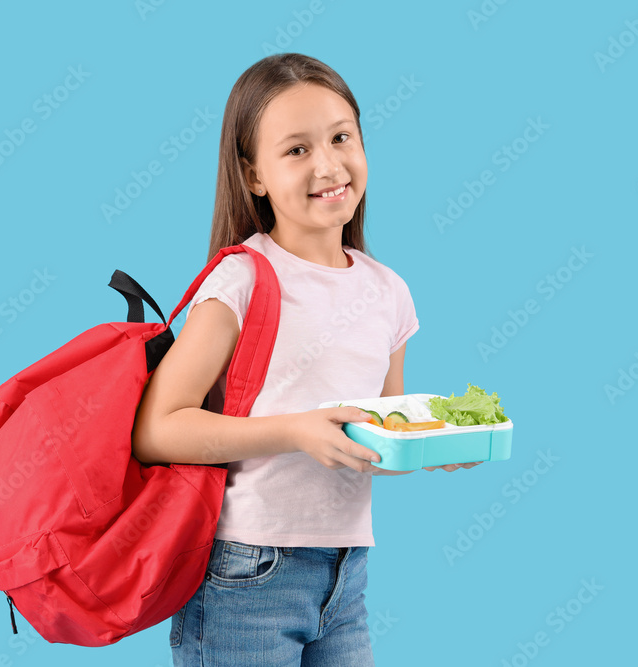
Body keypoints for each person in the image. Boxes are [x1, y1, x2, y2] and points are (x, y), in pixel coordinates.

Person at [131, 53, 480, 666]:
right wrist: (294, 431)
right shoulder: (241, 280)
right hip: (246, 572)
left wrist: (430, 445)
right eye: (296, 149)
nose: (327, 164)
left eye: (342, 137)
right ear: (254, 174)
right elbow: (156, 431)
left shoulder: (388, 291)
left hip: (347, 575)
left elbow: (372, 437)